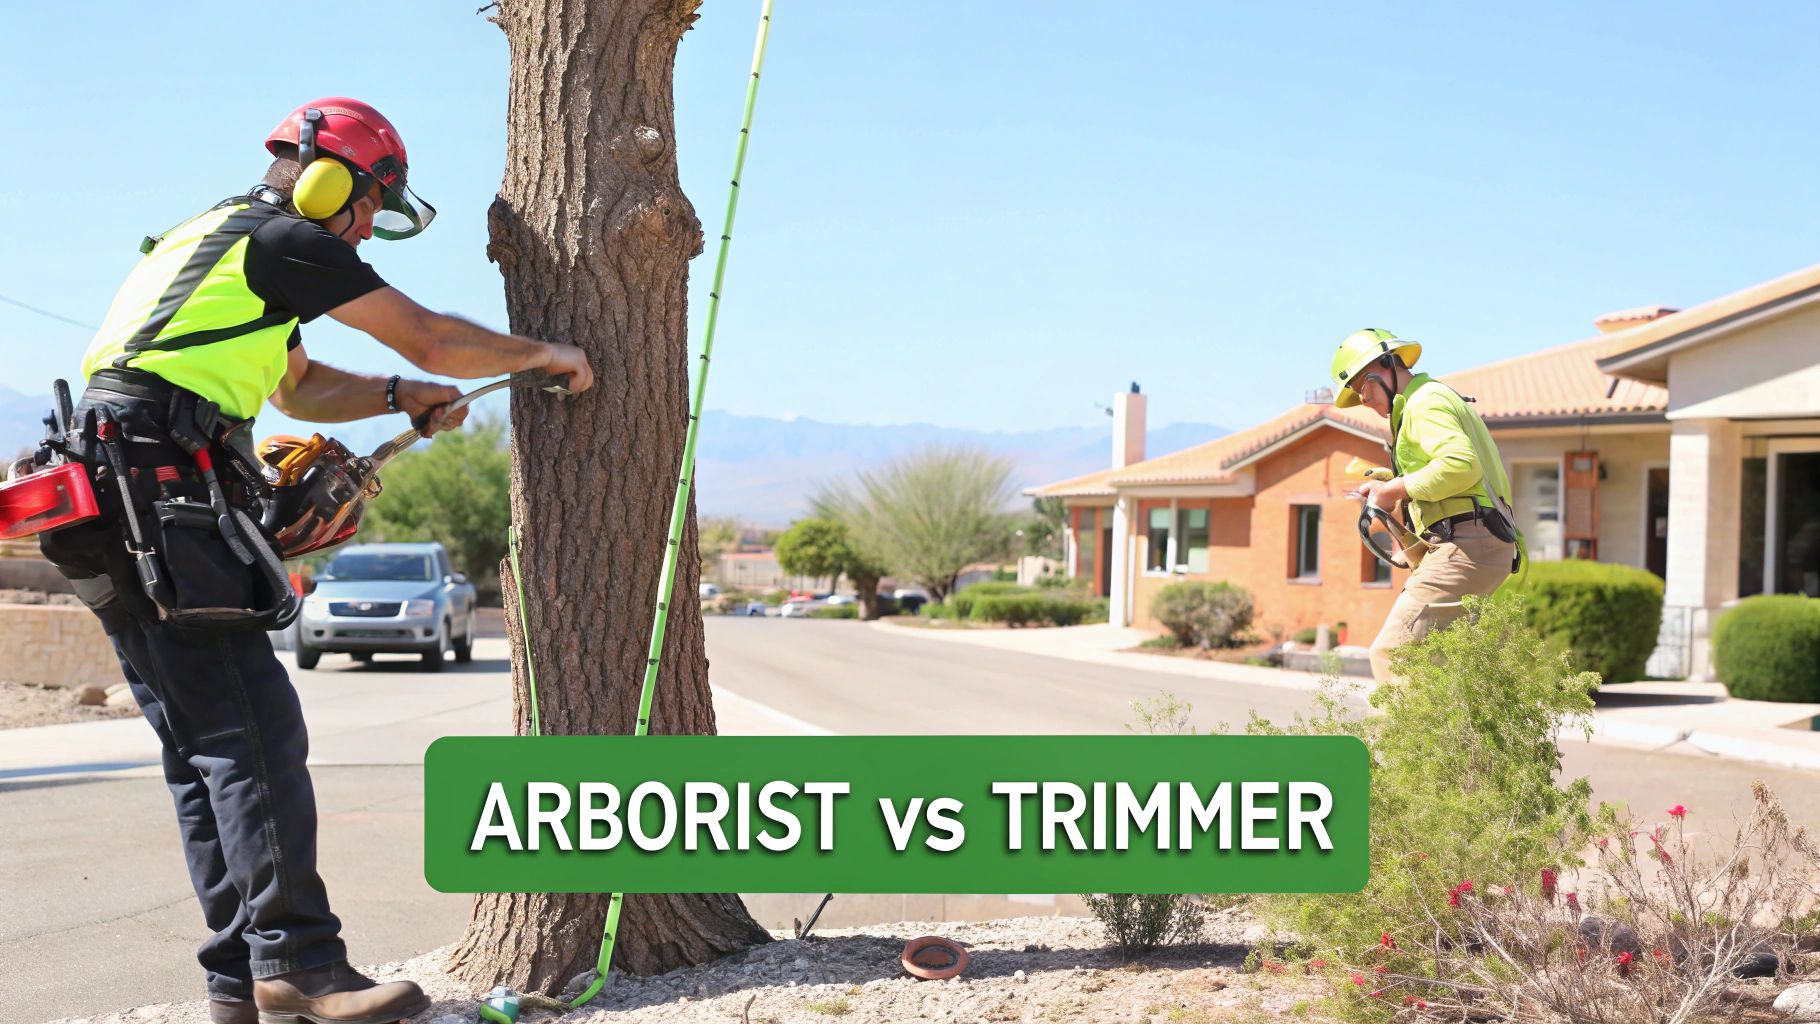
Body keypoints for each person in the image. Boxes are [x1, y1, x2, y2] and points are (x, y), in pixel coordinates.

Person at [38, 98, 594, 1024]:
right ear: (328, 173)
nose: (369, 223)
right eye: (372, 201)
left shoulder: (215, 237)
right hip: (155, 483)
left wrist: (397, 396)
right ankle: (302, 965)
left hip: (109, 484)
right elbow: (427, 331)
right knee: (256, 733)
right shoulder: (285, 237)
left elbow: (298, 384)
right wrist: (545, 353)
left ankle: (238, 982)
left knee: (204, 748)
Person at [1327, 328, 1520, 684]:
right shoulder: (1429, 398)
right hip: (1476, 541)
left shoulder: (1423, 402)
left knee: (1393, 652)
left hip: (1467, 543)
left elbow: (1460, 466)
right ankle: (1456, 740)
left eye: (1363, 387)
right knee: (1440, 667)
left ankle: (1402, 741)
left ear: (1386, 364)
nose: (1364, 399)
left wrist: (1393, 491)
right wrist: (1392, 484)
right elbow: (1453, 474)